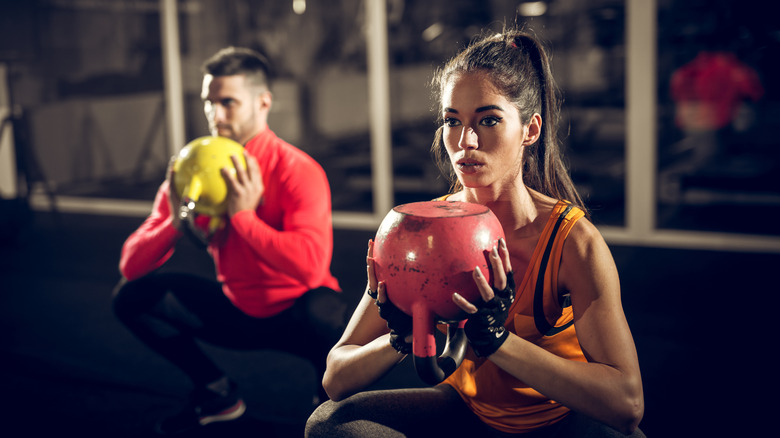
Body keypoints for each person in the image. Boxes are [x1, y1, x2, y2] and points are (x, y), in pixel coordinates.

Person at [306, 29, 645, 437]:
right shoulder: (419, 234)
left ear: (530, 130)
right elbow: (336, 378)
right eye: (453, 121)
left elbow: (627, 404)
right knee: (330, 425)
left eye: (488, 120)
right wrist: (400, 337)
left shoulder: (572, 242)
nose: (466, 141)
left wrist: (498, 340)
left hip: (556, 422)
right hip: (469, 414)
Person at [112, 46, 347, 435]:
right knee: (131, 297)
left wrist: (242, 218)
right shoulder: (193, 168)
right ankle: (218, 394)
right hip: (235, 308)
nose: (215, 115)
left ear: (263, 102)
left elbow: (310, 267)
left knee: (331, 312)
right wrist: (175, 220)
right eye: (209, 102)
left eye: (228, 103)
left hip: (297, 316)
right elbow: (131, 265)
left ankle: (331, 406)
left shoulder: (297, 169)